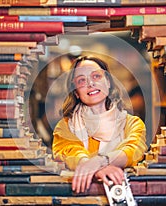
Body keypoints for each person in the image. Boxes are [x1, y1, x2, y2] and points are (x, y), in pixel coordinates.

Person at [52, 55, 147, 194]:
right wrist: (97, 169)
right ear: (76, 93)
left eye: (96, 76)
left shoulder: (132, 124)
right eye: (82, 80)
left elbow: (132, 151)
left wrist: (100, 161)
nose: (90, 84)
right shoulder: (65, 127)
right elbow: (70, 153)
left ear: (108, 82)